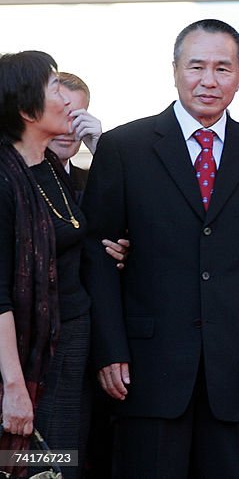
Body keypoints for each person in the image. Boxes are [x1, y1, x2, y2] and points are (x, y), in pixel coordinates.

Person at [81, 19, 239, 479]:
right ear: (175, 70)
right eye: (196, 66)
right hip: (144, 373)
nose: (209, 80)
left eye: (223, 69)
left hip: (237, 375)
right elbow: (96, 257)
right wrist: (109, 349)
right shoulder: (126, 147)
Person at [0, 52, 89, 479]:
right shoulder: (3, 178)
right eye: (55, 87)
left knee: (63, 465)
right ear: (25, 109)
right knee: (29, 468)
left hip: (69, 349)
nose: (69, 99)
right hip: (25, 363)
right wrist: (14, 387)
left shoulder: (52, 167)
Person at [48, 72, 102, 196]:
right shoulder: (14, 178)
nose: (69, 129)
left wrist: (101, 152)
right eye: (59, 115)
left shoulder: (91, 182)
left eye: (77, 118)